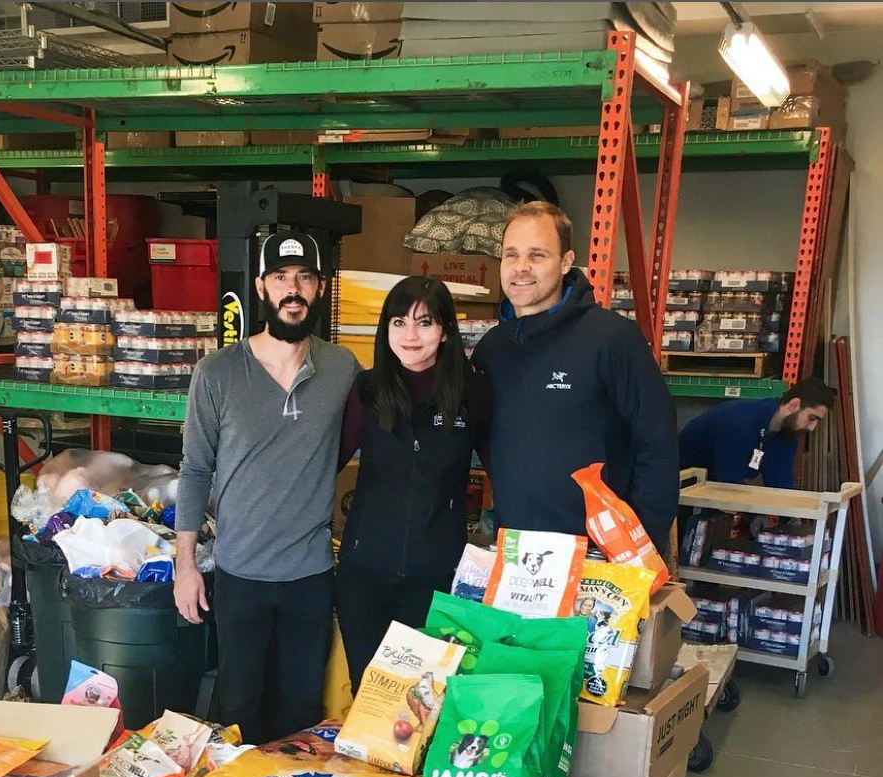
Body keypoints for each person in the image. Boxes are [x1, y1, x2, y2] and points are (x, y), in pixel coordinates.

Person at [174, 230, 358, 744]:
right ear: (261, 287)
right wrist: (185, 566)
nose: (292, 289)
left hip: (311, 577)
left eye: (304, 277)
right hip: (240, 576)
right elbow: (194, 471)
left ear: (320, 288)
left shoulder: (341, 369)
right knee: (239, 714)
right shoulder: (217, 373)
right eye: (281, 277)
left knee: (301, 713)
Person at [471, 199, 678, 556]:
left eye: (537, 255)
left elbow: (657, 444)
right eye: (511, 255)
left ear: (567, 262)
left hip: (599, 556)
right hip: (519, 555)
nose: (521, 268)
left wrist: (640, 548)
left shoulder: (611, 339)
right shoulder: (492, 350)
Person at [333, 275, 490, 692]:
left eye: (424, 322)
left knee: (424, 702)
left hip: (436, 576)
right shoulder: (366, 389)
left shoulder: (472, 392)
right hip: (364, 575)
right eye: (398, 322)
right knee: (368, 697)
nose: (411, 335)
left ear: (446, 331)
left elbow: (507, 469)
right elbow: (325, 462)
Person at [679, 377, 834, 488]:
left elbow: (780, 484)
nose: (812, 428)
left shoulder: (787, 434)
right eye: (811, 418)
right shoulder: (739, 422)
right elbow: (728, 481)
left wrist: (791, 521)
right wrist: (754, 517)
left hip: (715, 482)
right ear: (793, 405)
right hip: (681, 480)